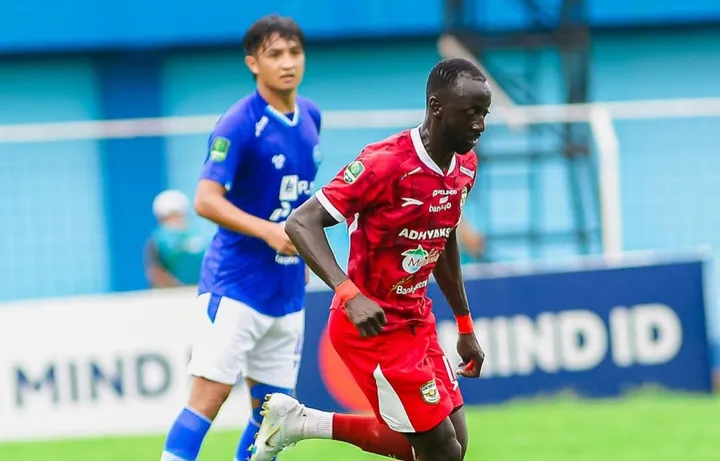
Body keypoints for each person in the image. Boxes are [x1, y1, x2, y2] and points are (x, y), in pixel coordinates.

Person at [251, 58, 490, 461]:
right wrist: (348, 292)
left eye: (484, 114)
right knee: (441, 452)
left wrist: (465, 325)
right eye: (471, 114)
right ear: (436, 107)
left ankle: (299, 423)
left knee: (453, 445)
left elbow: (443, 238)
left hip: (416, 320)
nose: (480, 125)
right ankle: (298, 424)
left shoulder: (465, 164)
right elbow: (301, 222)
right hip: (371, 326)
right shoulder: (385, 163)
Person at [160, 14, 322, 461]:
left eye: (294, 52)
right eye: (275, 55)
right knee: (207, 401)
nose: (287, 63)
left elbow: (298, 201)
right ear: (254, 63)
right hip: (235, 288)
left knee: (270, 416)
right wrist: (269, 232)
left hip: (286, 292)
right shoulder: (237, 123)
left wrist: (305, 256)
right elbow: (205, 200)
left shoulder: (310, 116)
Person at [144, 189, 206, 288]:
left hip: (192, 292)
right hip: (176, 294)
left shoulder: (200, 237)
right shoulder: (158, 239)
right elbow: (154, 271)